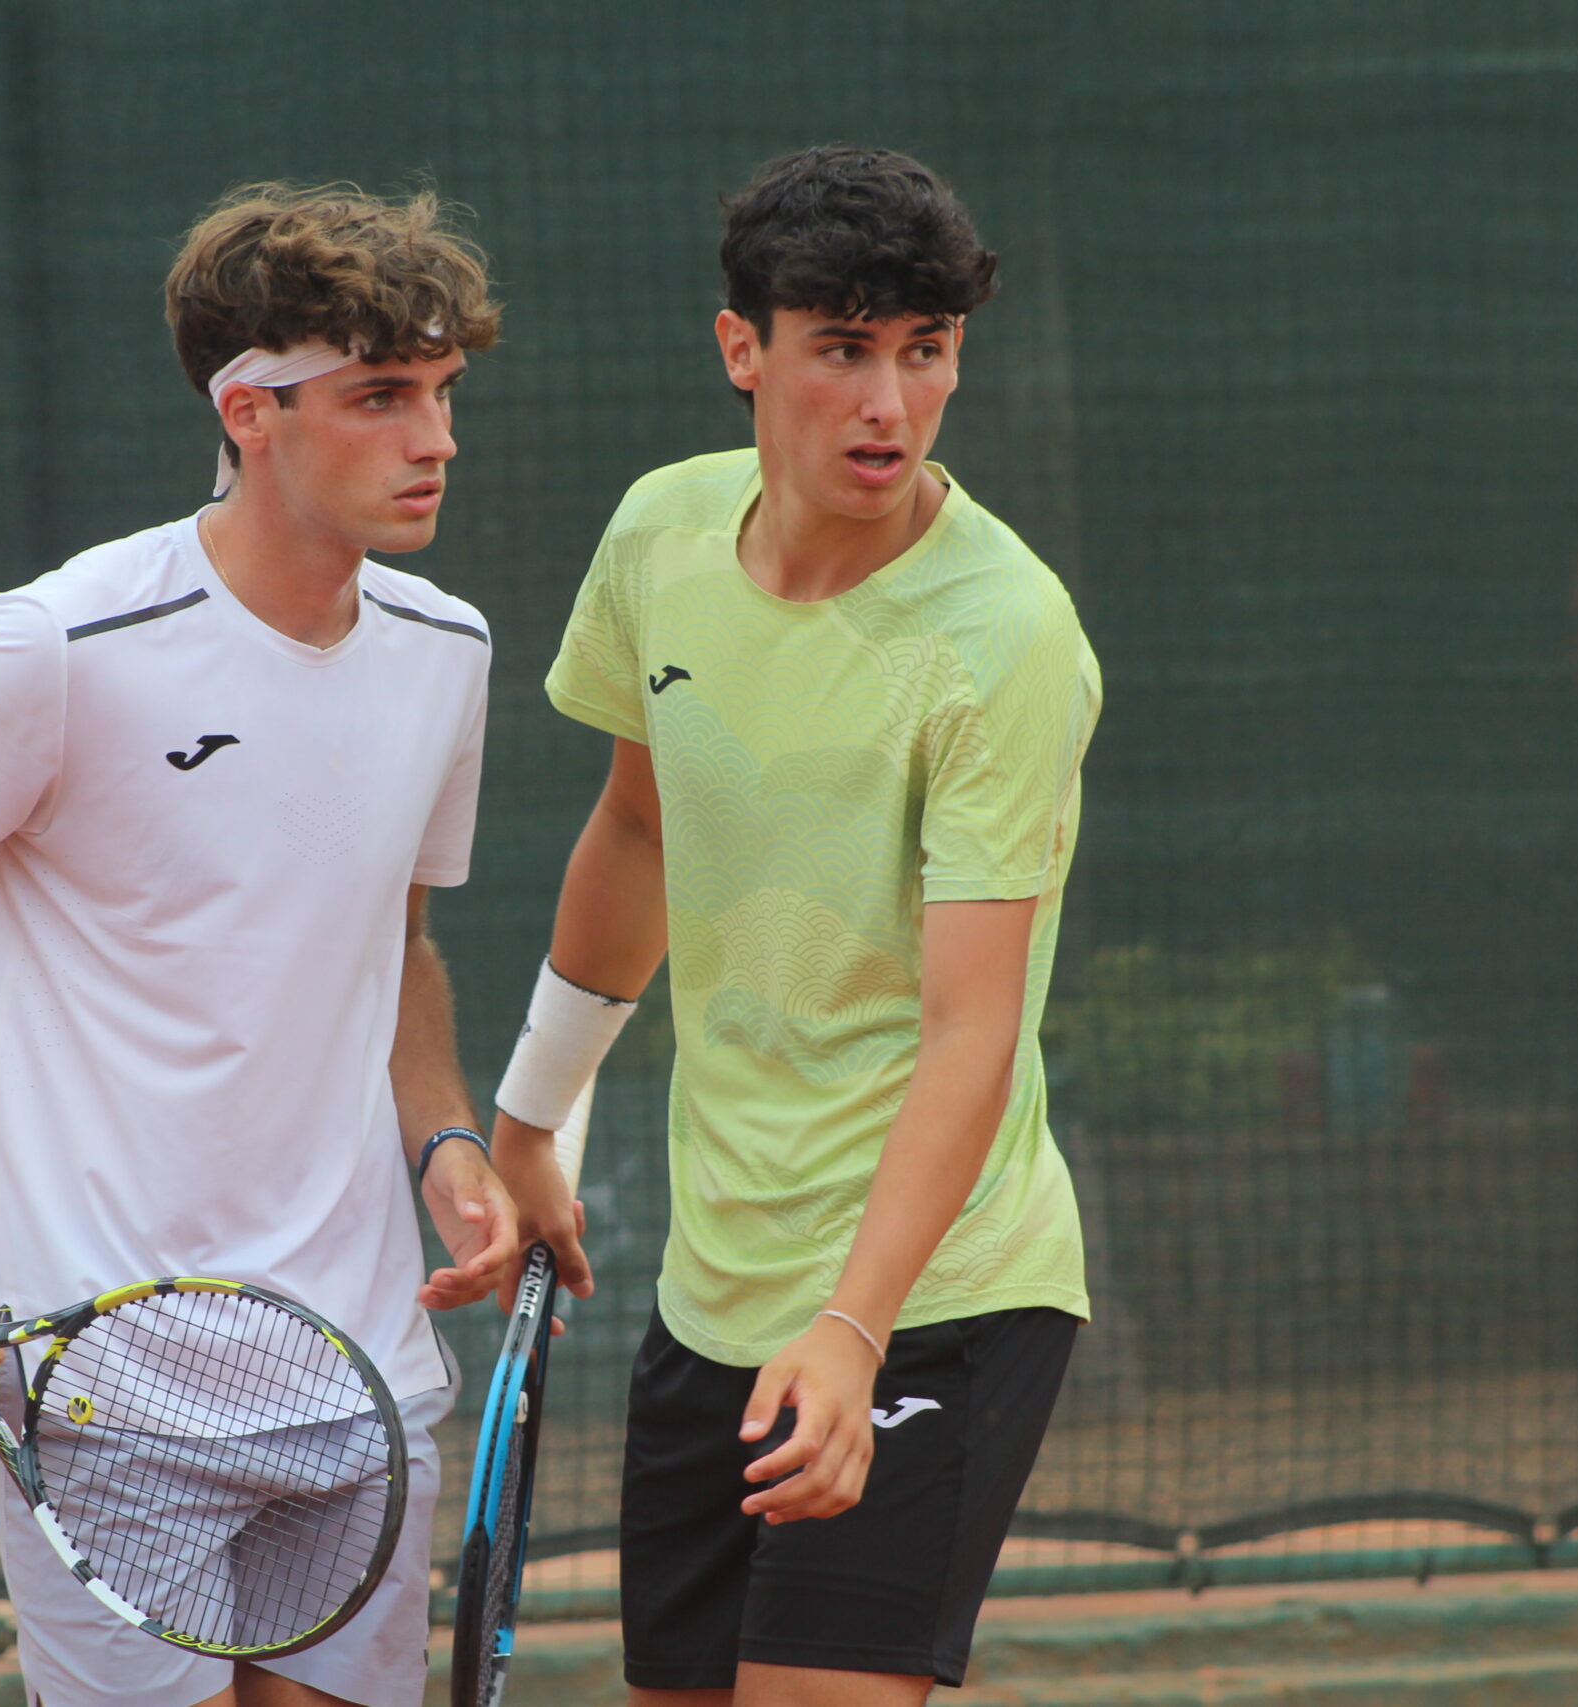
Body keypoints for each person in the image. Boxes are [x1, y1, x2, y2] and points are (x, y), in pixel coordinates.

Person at [0, 181, 517, 1707]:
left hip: (359, 1376)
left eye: (442, 391)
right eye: (381, 396)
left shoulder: (449, 648)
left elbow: (395, 942)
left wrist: (445, 1141)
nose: (435, 437)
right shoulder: (51, 645)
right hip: (102, 1392)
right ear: (250, 412)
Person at [489, 145, 1102, 1704]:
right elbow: (639, 833)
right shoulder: (661, 538)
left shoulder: (1003, 637)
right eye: (842, 350)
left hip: (934, 1297)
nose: (889, 404)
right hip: (716, 1288)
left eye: (926, 351)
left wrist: (852, 1327)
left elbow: (976, 1028)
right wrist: (531, 1118)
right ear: (741, 349)